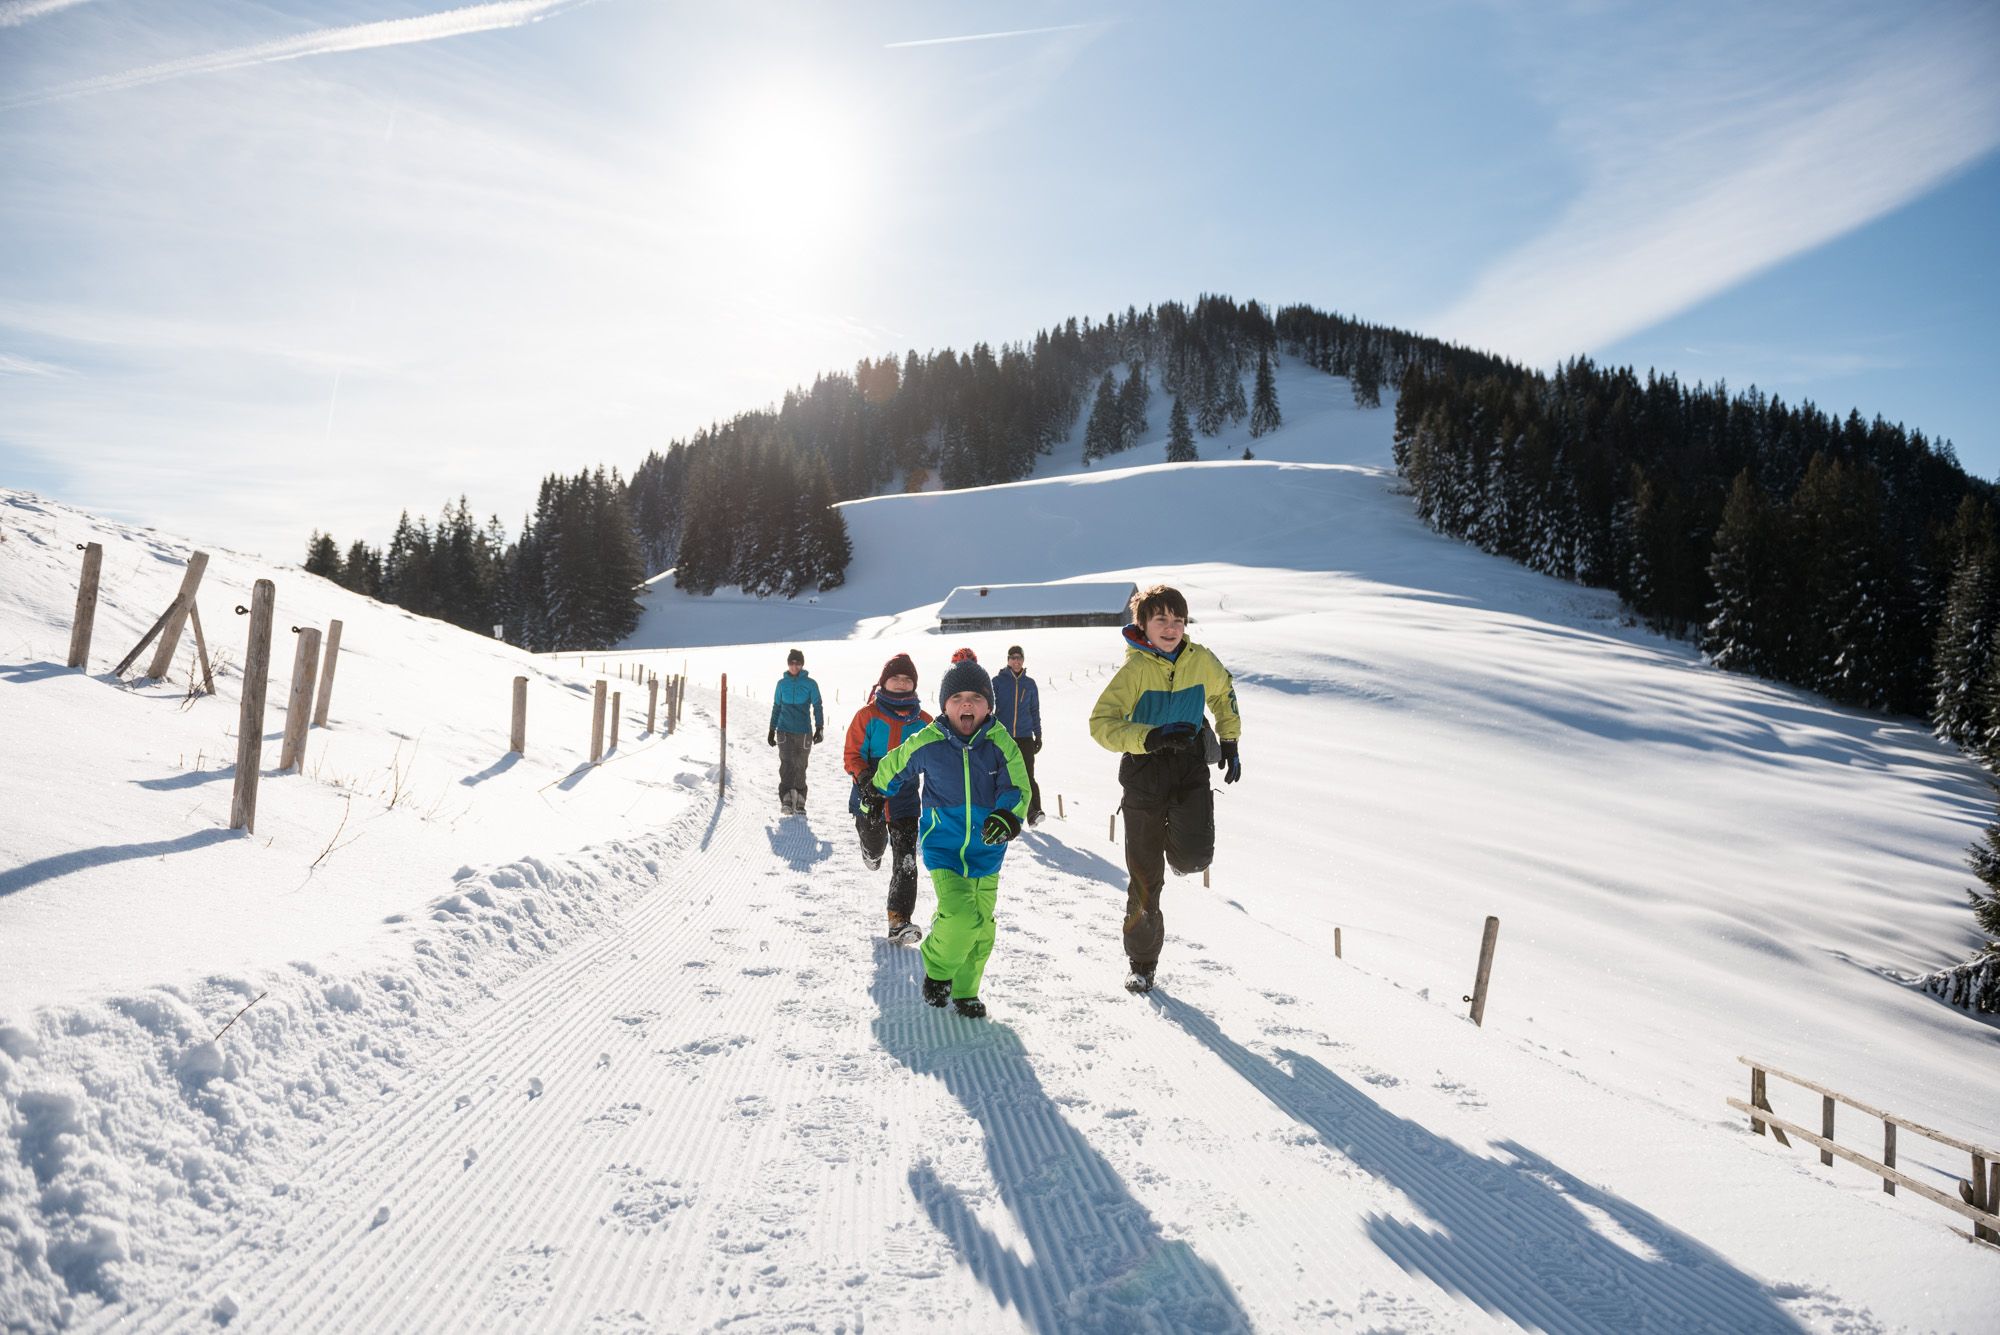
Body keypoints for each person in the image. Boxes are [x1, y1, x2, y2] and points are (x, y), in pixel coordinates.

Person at [1088, 585, 1242, 994]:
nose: (1171, 628)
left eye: (1178, 620)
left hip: (1190, 768)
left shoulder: (1200, 661)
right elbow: (1101, 724)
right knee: (1144, 879)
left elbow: (1224, 692)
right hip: (1143, 773)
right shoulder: (1134, 671)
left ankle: (1180, 852)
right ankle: (1141, 963)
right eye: (1161, 620)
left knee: (1194, 859)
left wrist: (1230, 739)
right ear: (1143, 625)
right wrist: (1148, 737)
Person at [861, 657, 1030, 1019]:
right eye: (956, 698)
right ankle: (937, 968)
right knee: (960, 916)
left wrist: (1007, 815)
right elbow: (898, 761)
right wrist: (875, 790)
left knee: (982, 929)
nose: (966, 705)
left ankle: (966, 991)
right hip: (945, 850)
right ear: (944, 705)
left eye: (975, 698)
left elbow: (1017, 786)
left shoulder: (1001, 743)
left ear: (989, 705)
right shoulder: (931, 739)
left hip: (987, 853)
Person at [843, 653, 931, 943]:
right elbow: (852, 755)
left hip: (905, 797)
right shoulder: (867, 716)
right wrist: (865, 777)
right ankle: (870, 851)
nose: (902, 683)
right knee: (875, 842)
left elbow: (943, 749)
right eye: (896, 678)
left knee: (906, 860)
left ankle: (899, 921)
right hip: (871, 796)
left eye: (907, 679)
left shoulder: (924, 722)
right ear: (884, 682)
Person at [767, 648, 824, 814]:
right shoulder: (781, 684)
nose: (794, 666)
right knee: (786, 764)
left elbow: (817, 705)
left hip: (804, 732)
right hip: (784, 730)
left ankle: (800, 799)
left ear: (802, 664)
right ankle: (786, 798)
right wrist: (771, 729)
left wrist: (820, 727)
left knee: (800, 765)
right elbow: (776, 707)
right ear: (788, 663)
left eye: (797, 663)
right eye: (791, 662)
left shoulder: (810, 684)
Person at [992, 644, 1044, 825]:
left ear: (1023, 660)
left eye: (1019, 658)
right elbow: (989, 709)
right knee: (1003, 775)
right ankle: (1002, 810)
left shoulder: (1029, 684)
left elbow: (1034, 710)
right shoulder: (997, 682)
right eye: (1012, 658)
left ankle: (1034, 812)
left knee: (1028, 775)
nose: (1016, 661)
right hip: (1003, 737)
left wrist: (1038, 735)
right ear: (1008, 660)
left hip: (1024, 737)